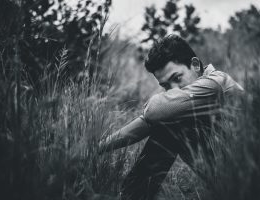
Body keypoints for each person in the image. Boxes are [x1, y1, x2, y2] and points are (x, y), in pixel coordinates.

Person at [98, 34, 244, 200]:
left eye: (177, 78)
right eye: (166, 86)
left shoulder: (215, 84)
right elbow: (146, 121)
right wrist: (99, 147)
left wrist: (161, 104)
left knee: (169, 124)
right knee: (168, 119)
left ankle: (131, 197)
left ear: (195, 65)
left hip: (250, 182)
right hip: (229, 179)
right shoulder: (190, 96)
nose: (173, 89)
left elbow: (154, 111)